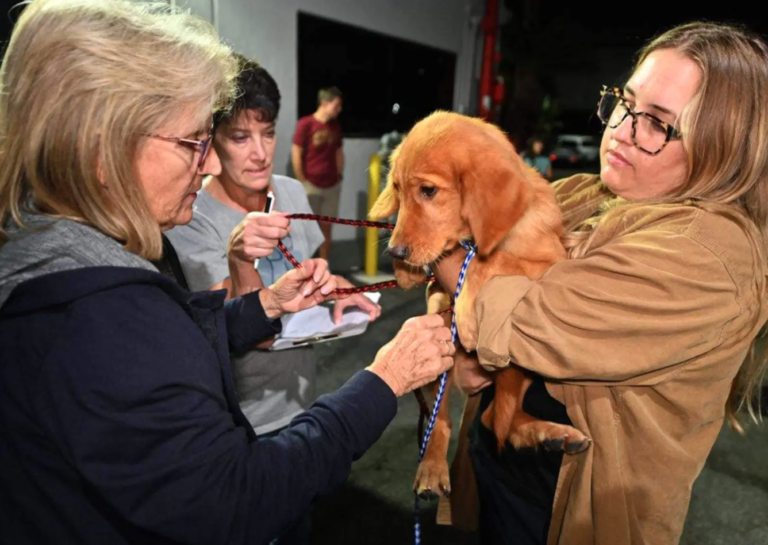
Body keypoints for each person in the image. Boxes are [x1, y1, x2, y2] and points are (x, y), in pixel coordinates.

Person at [0, 2, 455, 545]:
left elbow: (175, 334)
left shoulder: (74, 256)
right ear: (104, 147)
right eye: (196, 142)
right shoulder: (98, 320)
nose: (212, 162)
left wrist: (263, 306)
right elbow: (237, 501)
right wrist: (384, 381)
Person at [433, 21, 768, 545]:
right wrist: (457, 339)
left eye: (659, 124)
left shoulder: (710, 254)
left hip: (571, 516)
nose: (622, 129)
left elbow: (514, 314)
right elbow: (459, 240)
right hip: (498, 471)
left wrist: (448, 263)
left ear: (723, 150)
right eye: (625, 102)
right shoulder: (586, 193)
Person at [166, 55, 378, 544]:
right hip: (243, 422)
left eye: (268, 133)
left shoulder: (290, 191)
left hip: (302, 402)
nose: (260, 153)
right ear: (212, 143)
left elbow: (303, 271)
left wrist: (337, 288)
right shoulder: (191, 216)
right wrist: (240, 260)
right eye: (241, 137)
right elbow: (229, 328)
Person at [291, 86, 344, 261]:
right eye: (336, 105)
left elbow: (338, 151)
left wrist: (339, 175)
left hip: (331, 186)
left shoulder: (335, 126)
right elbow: (296, 151)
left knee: (326, 228)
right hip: (310, 185)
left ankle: (324, 265)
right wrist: (302, 180)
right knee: (306, 228)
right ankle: (303, 266)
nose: (339, 110)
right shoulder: (306, 124)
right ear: (324, 103)